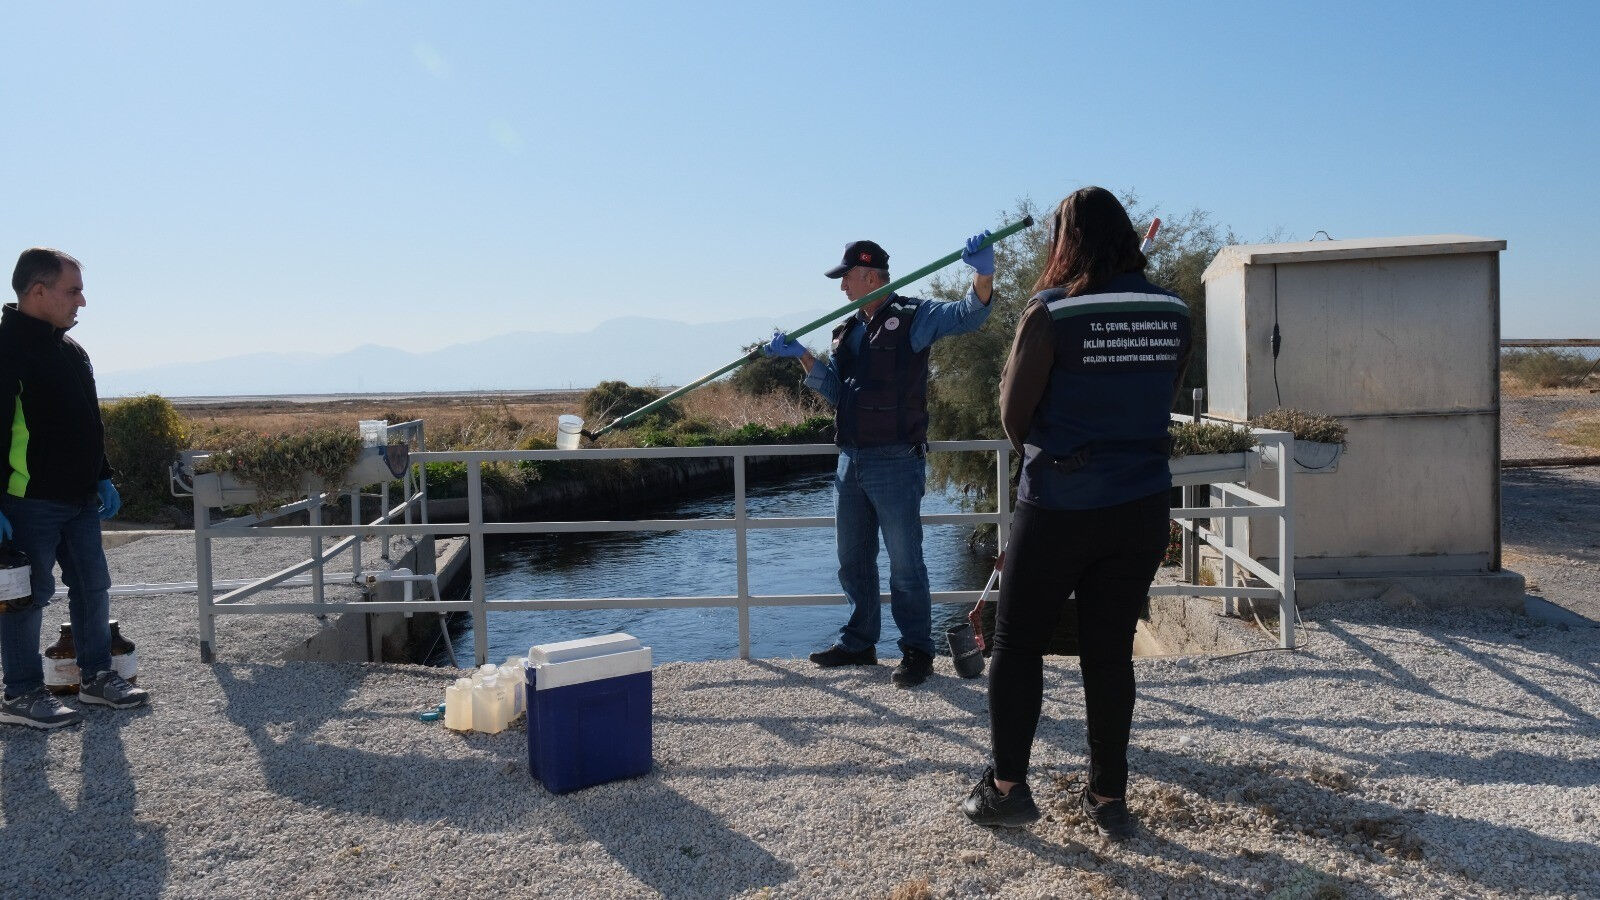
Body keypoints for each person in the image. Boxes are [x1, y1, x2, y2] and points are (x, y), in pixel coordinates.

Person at [960, 188, 1191, 838]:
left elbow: (1014, 415)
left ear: (1068, 240)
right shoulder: (1174, 312)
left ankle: (1007, 788)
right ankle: (1108, 798)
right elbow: (1163, 395)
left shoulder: (1052, 311)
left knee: (1017, 642)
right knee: (1109, 653)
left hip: (1060, 504)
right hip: (1141, 504)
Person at [767, 231, 996, 687]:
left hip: (896, 461)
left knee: (905, 564)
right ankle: (859, 642)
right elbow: (837, 392)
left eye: (846, 277)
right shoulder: (846, 330)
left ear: (870, 276)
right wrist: (803, 356)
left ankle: (917, 651)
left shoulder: (915, 317)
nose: (841, 286)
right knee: (852, 560)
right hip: (850, 461)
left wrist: (983, 274)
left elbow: (968, 314)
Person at [0, 248, 149, 729]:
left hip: (81, 499)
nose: (81, 301)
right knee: (28, 595)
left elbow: (89, 421)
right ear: (38, 291)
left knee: (92, 585)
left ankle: (96, 677)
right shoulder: (6, 350)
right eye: (73, 291)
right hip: (28, 502)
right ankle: (21, 694)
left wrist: (102, 473)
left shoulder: (71, 350)